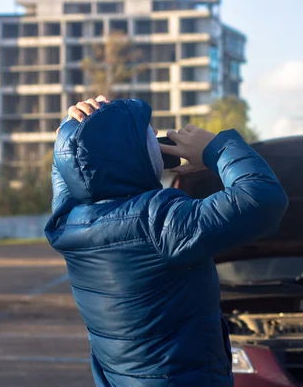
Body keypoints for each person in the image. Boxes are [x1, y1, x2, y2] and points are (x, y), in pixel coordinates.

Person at [45, 95, 288, 387]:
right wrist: (217, 148)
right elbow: (262, 200)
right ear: (131, 155)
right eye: (150, 135)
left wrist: (70, 137)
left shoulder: (70, 224)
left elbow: (73, 178)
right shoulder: (157, 223)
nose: (159, 140)